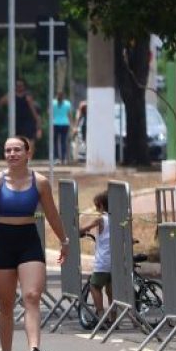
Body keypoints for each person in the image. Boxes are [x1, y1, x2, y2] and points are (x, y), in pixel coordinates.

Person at [0, 136, 68, 351]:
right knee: (5, 305)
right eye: (8, 150)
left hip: (29, 240)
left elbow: (52, 214)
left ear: (28, 153)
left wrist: (64, 240)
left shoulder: (40, 182)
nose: (12, 154)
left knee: (32, 295)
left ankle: (34, 350)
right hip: (2, 241)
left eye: (17, 150)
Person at [79, 192, 113, 326]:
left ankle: (100, 315)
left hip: (103, 261)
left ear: (101, 206)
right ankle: (114, 318)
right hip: (115, 261)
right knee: (111, 291)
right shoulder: (116, 219)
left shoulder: (101, 219)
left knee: (94, 286)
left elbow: (83, 229)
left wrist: (78, 230)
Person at [0, 79, 42, 151]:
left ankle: (28, 157)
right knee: (16, 140)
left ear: (24, 87)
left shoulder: (27, 96)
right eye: (17, 86)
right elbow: (1, 103)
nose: (19, 87)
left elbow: (33, 110)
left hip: (27, 121)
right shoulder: (12, 95)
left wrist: (38, 122)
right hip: (16, 121)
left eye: (20, 86)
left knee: (30, 140)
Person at [51, 91, 72, 164]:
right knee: (63, 141)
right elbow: (69, 114)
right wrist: (71, 123)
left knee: (55, 142)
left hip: (55, 123)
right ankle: (63, 158)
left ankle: (56, 158)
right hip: (65, 123)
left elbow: (50, 113)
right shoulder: (67, 103)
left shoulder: (52, 103)